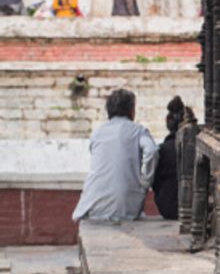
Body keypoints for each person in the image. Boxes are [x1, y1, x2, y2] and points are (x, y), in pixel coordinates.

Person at [72, 89, 158, 221]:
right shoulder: (138, 131)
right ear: (132, 111)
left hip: (91, 205)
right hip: (125, 207)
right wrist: (144, 183)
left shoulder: (97, 133)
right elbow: (151, 151)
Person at [152, 96, 189, 220]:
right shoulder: (192, 148)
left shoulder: (162, 149)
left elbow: (155, 182)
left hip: (166, 207)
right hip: (190, 208)